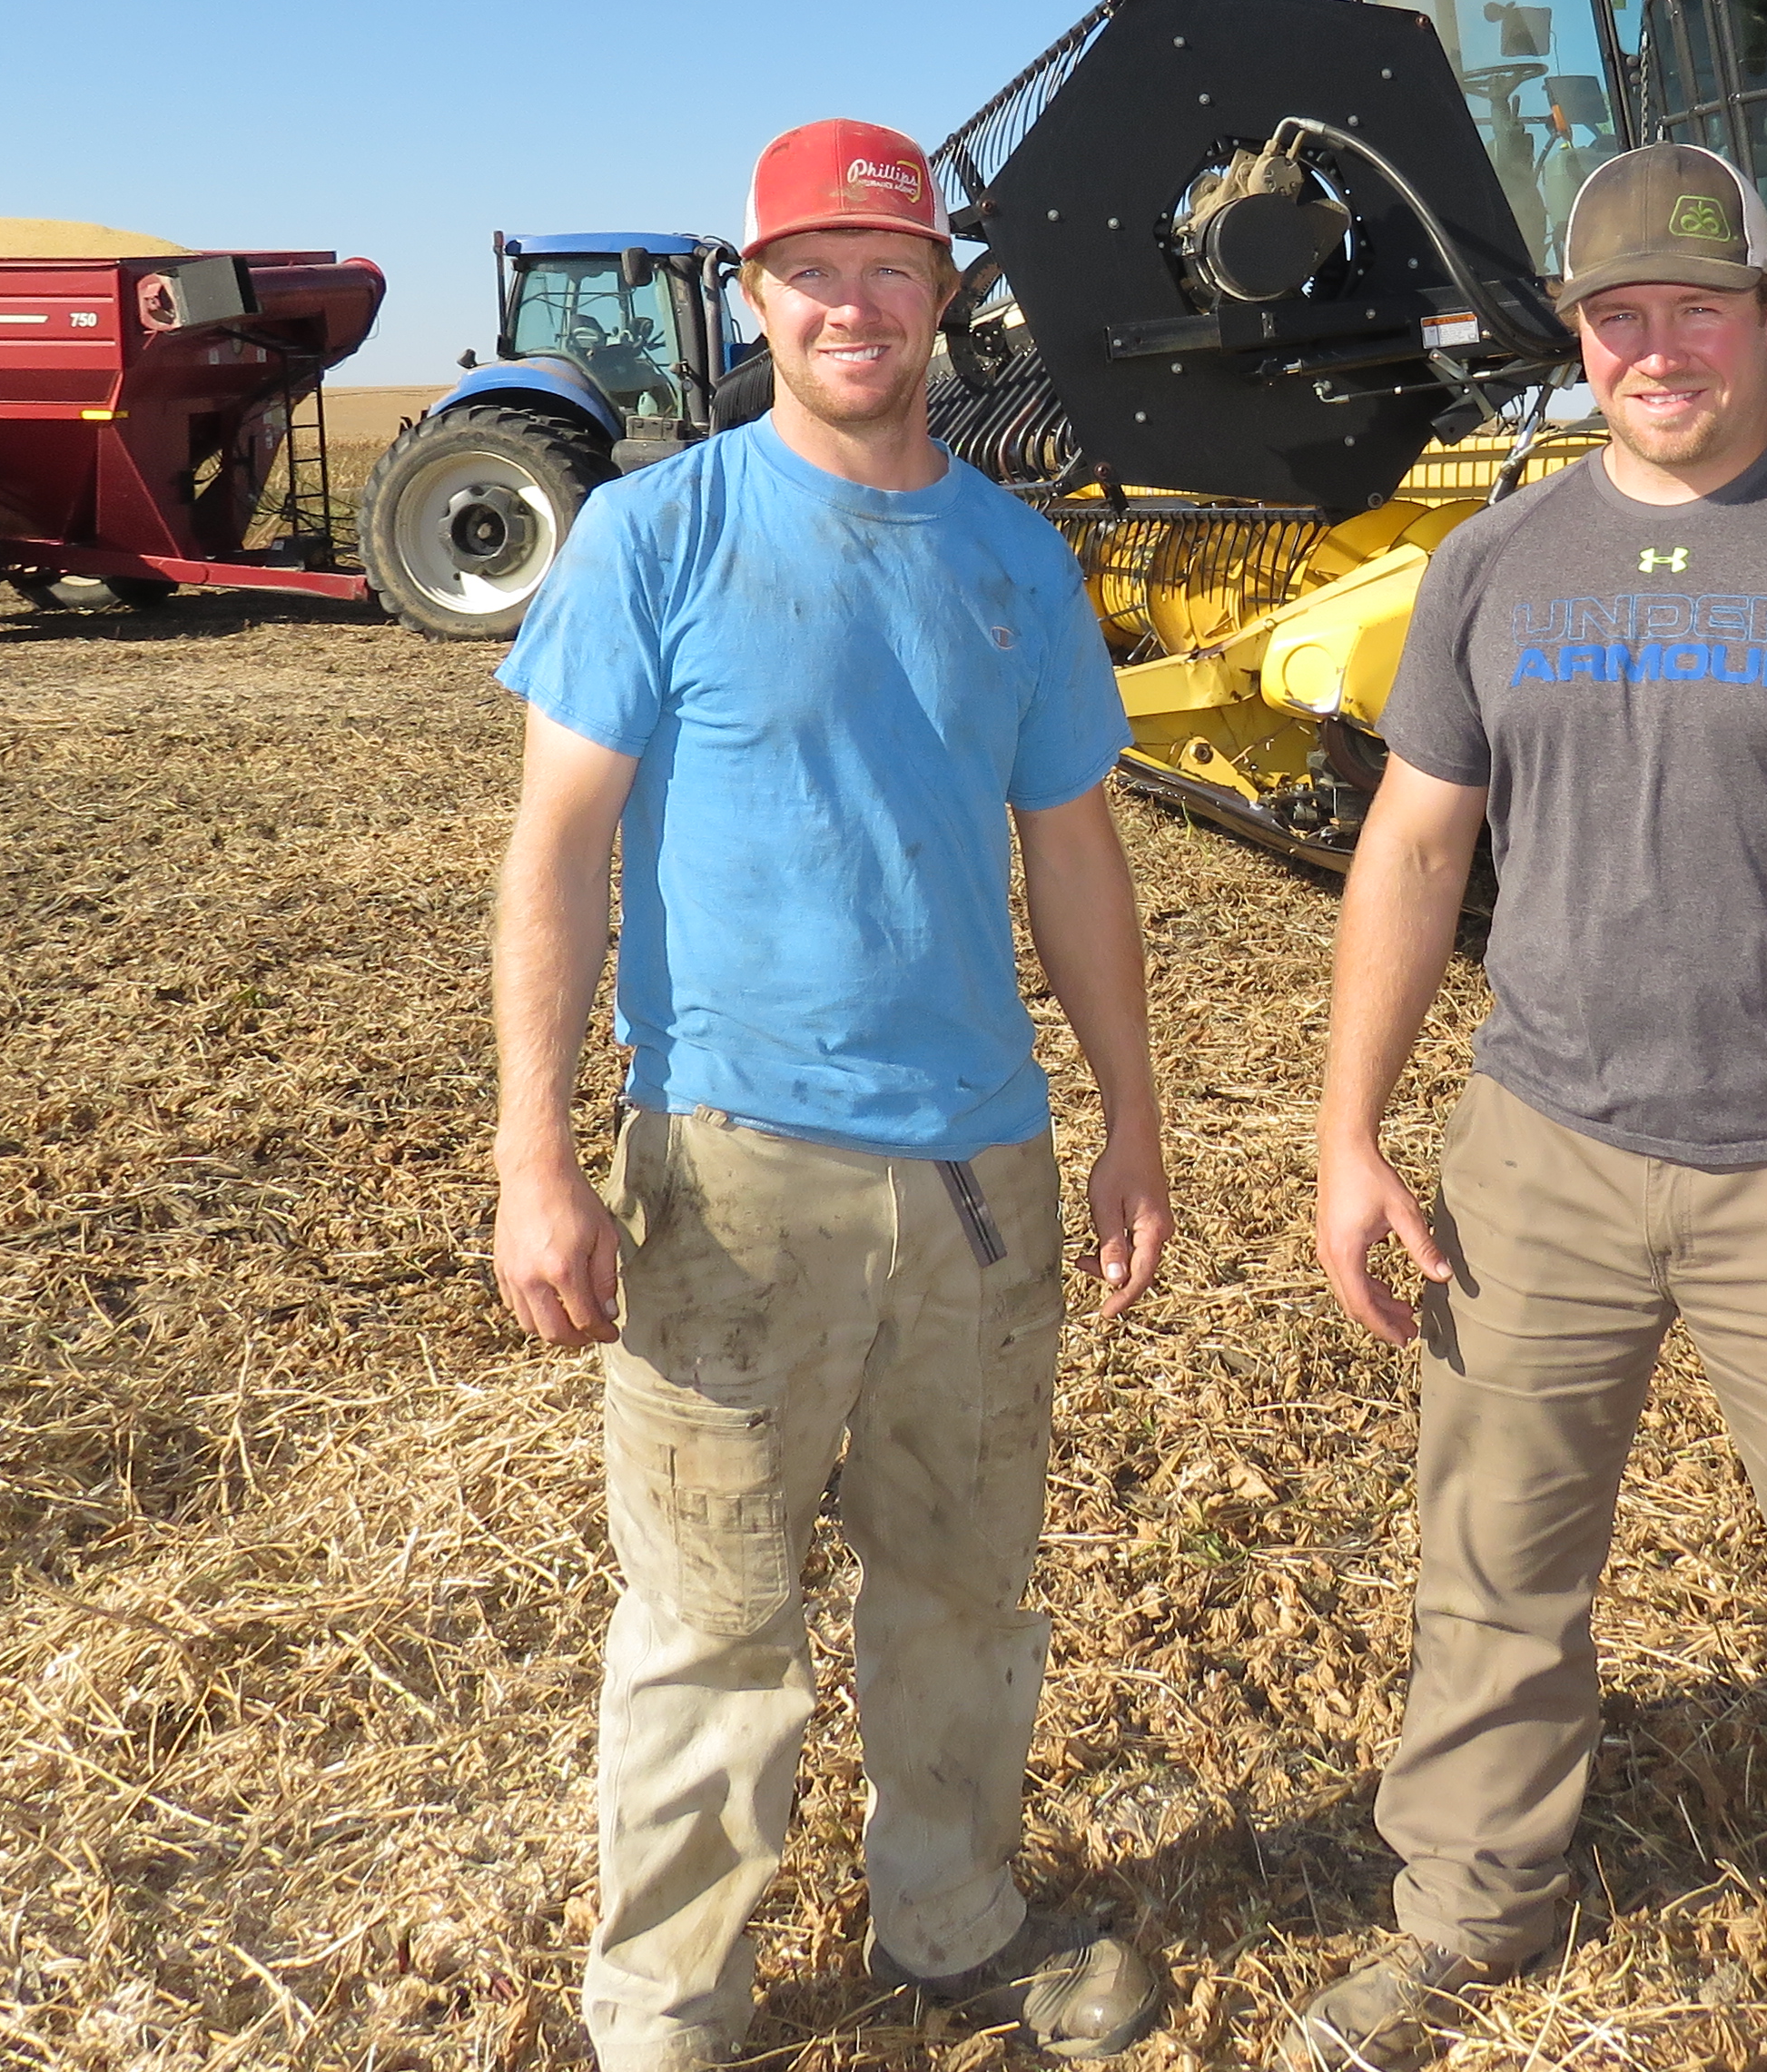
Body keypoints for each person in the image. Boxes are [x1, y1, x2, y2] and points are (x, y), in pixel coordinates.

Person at [1297, 141, 1767, 2072]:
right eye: (1621, 314)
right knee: (1494, 1581)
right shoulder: (1497, 558)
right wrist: (1349, 1130)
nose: (1660, 348)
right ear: (1579, 335)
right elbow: (1409, 850)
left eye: (1697, 309)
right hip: (1540, 1154)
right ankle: (1470, 1912)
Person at [489, 115, 1179, 2070]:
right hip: (731, 1169)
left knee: (963, 1585)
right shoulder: (662, 532)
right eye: (813, 269)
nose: (853, 303)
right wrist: (536, 1154)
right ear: (758, 295)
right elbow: (556, 852)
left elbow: (1076, 859)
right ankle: (667, 2014)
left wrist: (1128, 1122)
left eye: (891, 268)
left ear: (943, 295)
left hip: (978, 1173)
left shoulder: (1012, 556)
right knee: (713, 1624)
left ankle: (952, 1916)